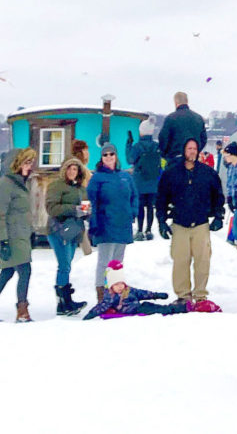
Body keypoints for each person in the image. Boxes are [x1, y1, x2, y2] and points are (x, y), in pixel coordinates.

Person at [155, 138, 224, 306]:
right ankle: (183, 296)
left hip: (201, 223)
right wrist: (162, 221)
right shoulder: (172, 173)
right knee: (180, 260)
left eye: (194, 148)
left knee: (202, 261)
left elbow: (218, 196)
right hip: (180, 223)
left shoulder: (208, 173)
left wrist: (218, 216)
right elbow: (161, 199)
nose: (192, 151)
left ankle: (200, 296)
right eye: (189, 148)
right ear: (183, 150)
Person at [0, 148, 36, 323]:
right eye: (27, 162)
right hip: (11, 234)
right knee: (24, 270)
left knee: (8, 271)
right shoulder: (6, 183)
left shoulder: (22, 182)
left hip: (22, 233)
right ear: (17, 164)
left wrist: (31, 231)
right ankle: (22, 310)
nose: (30, 166)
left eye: (31, 162)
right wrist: (4, 240)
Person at [87, 142, 137, 302]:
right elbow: (92, 202)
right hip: (105, 224)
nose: (109, 157)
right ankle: (102, 295)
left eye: (111, 154)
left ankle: (115, 293)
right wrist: (93, 223)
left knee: (118, 261)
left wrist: (132, 212)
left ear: (116, 156)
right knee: (104, 261)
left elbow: (134, 196)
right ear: (101, 158)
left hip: (123, 224)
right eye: (105, 155)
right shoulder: (97, 178)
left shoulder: (125, 176)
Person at [46, 157, 90, 315]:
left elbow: (85, 206)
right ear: (64, 170)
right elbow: (51, 208)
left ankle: (66, 300)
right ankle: (62, 303)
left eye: (75, 169)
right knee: (64, 265)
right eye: (69, 169)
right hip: (58, 230)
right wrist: (73, 209)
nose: (72, 172)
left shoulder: (80, 188)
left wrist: (86, 212)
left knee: (67, 265)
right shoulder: (56, 186)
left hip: (74, 231)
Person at [83, 260, 186, 319]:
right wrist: (91, 314)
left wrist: (157, 295)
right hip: (134, 310)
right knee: (159, 310)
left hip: (140, 306)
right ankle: (181, 308)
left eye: (121, 284)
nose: (120, 286)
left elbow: (142, 293)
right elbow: (101, 306)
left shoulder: (128, 290)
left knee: (155, 306)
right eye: (116, 284)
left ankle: (179, 307)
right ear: (111, 286)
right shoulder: (111, 296)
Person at [126, 119, 162, 241]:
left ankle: (140, 230)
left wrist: (128, 144)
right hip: (153, 181)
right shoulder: (157, 146)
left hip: (140, 182)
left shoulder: (137, 146)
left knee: (140, 206)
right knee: (150, 207)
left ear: (141, 132)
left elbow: (130, 160)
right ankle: (149, 230)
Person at [157, 92, 207, 164]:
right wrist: (195, 151)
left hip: (175, 159)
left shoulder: (170, 118)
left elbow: (163, 138)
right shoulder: (198, 118)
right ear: (187, 101)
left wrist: (165, 154)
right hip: (193, 160)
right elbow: (203, 139)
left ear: (175, 102)